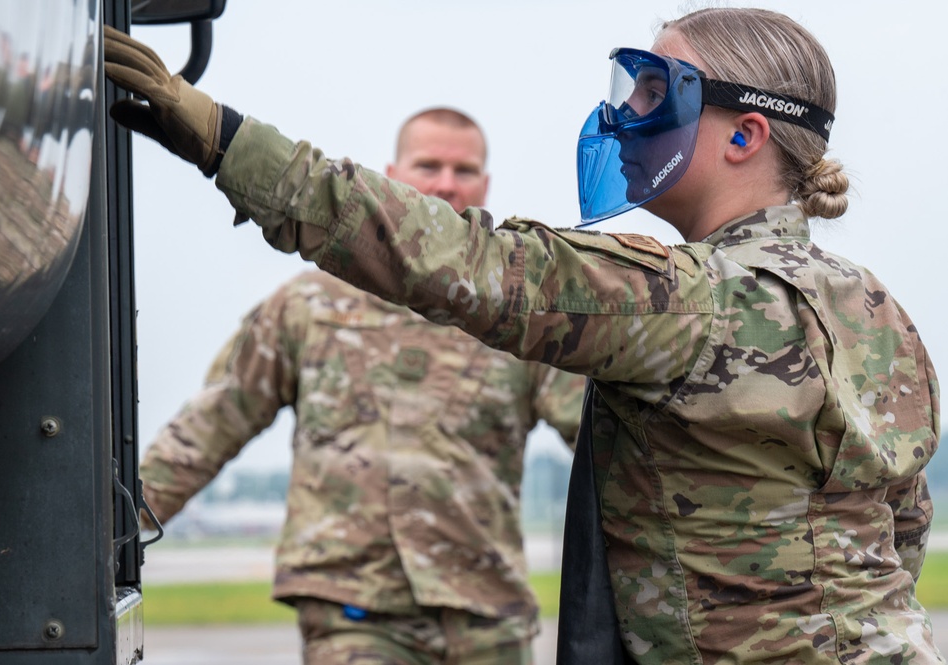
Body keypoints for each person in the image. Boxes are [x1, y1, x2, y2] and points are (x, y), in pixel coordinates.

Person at [105, 6, 942, 664]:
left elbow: (466, 258)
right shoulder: (875, 309)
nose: (625, 118)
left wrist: (225, 140)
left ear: (742, 133)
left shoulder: (678, 299)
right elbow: (900, 528)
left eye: (655, 94)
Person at [137, 106, 586, 664]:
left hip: (485, 615)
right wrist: (114, 534)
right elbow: (209, 428)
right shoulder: (308, 307)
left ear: (486, 185)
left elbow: (599, 443)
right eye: (429, 165)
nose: (446, 182)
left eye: (464, 169)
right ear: (391, 176)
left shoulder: (515, 318)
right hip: (353, 611)